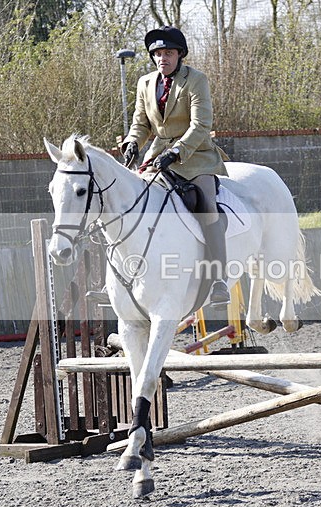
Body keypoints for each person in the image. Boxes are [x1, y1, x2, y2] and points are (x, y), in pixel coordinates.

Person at [121, 25, 230, 307]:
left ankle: (219, 280)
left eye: (168, 53)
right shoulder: (145, 83)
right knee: (132, 201)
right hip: (157, 154)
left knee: (206, 205)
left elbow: (201, 124)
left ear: (179, 55)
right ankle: (126, 276)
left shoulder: (196, 80)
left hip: (196, 157)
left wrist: (179, 150)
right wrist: (133, 142)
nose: (162, 59)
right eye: (157, 54)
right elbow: (140, 123)